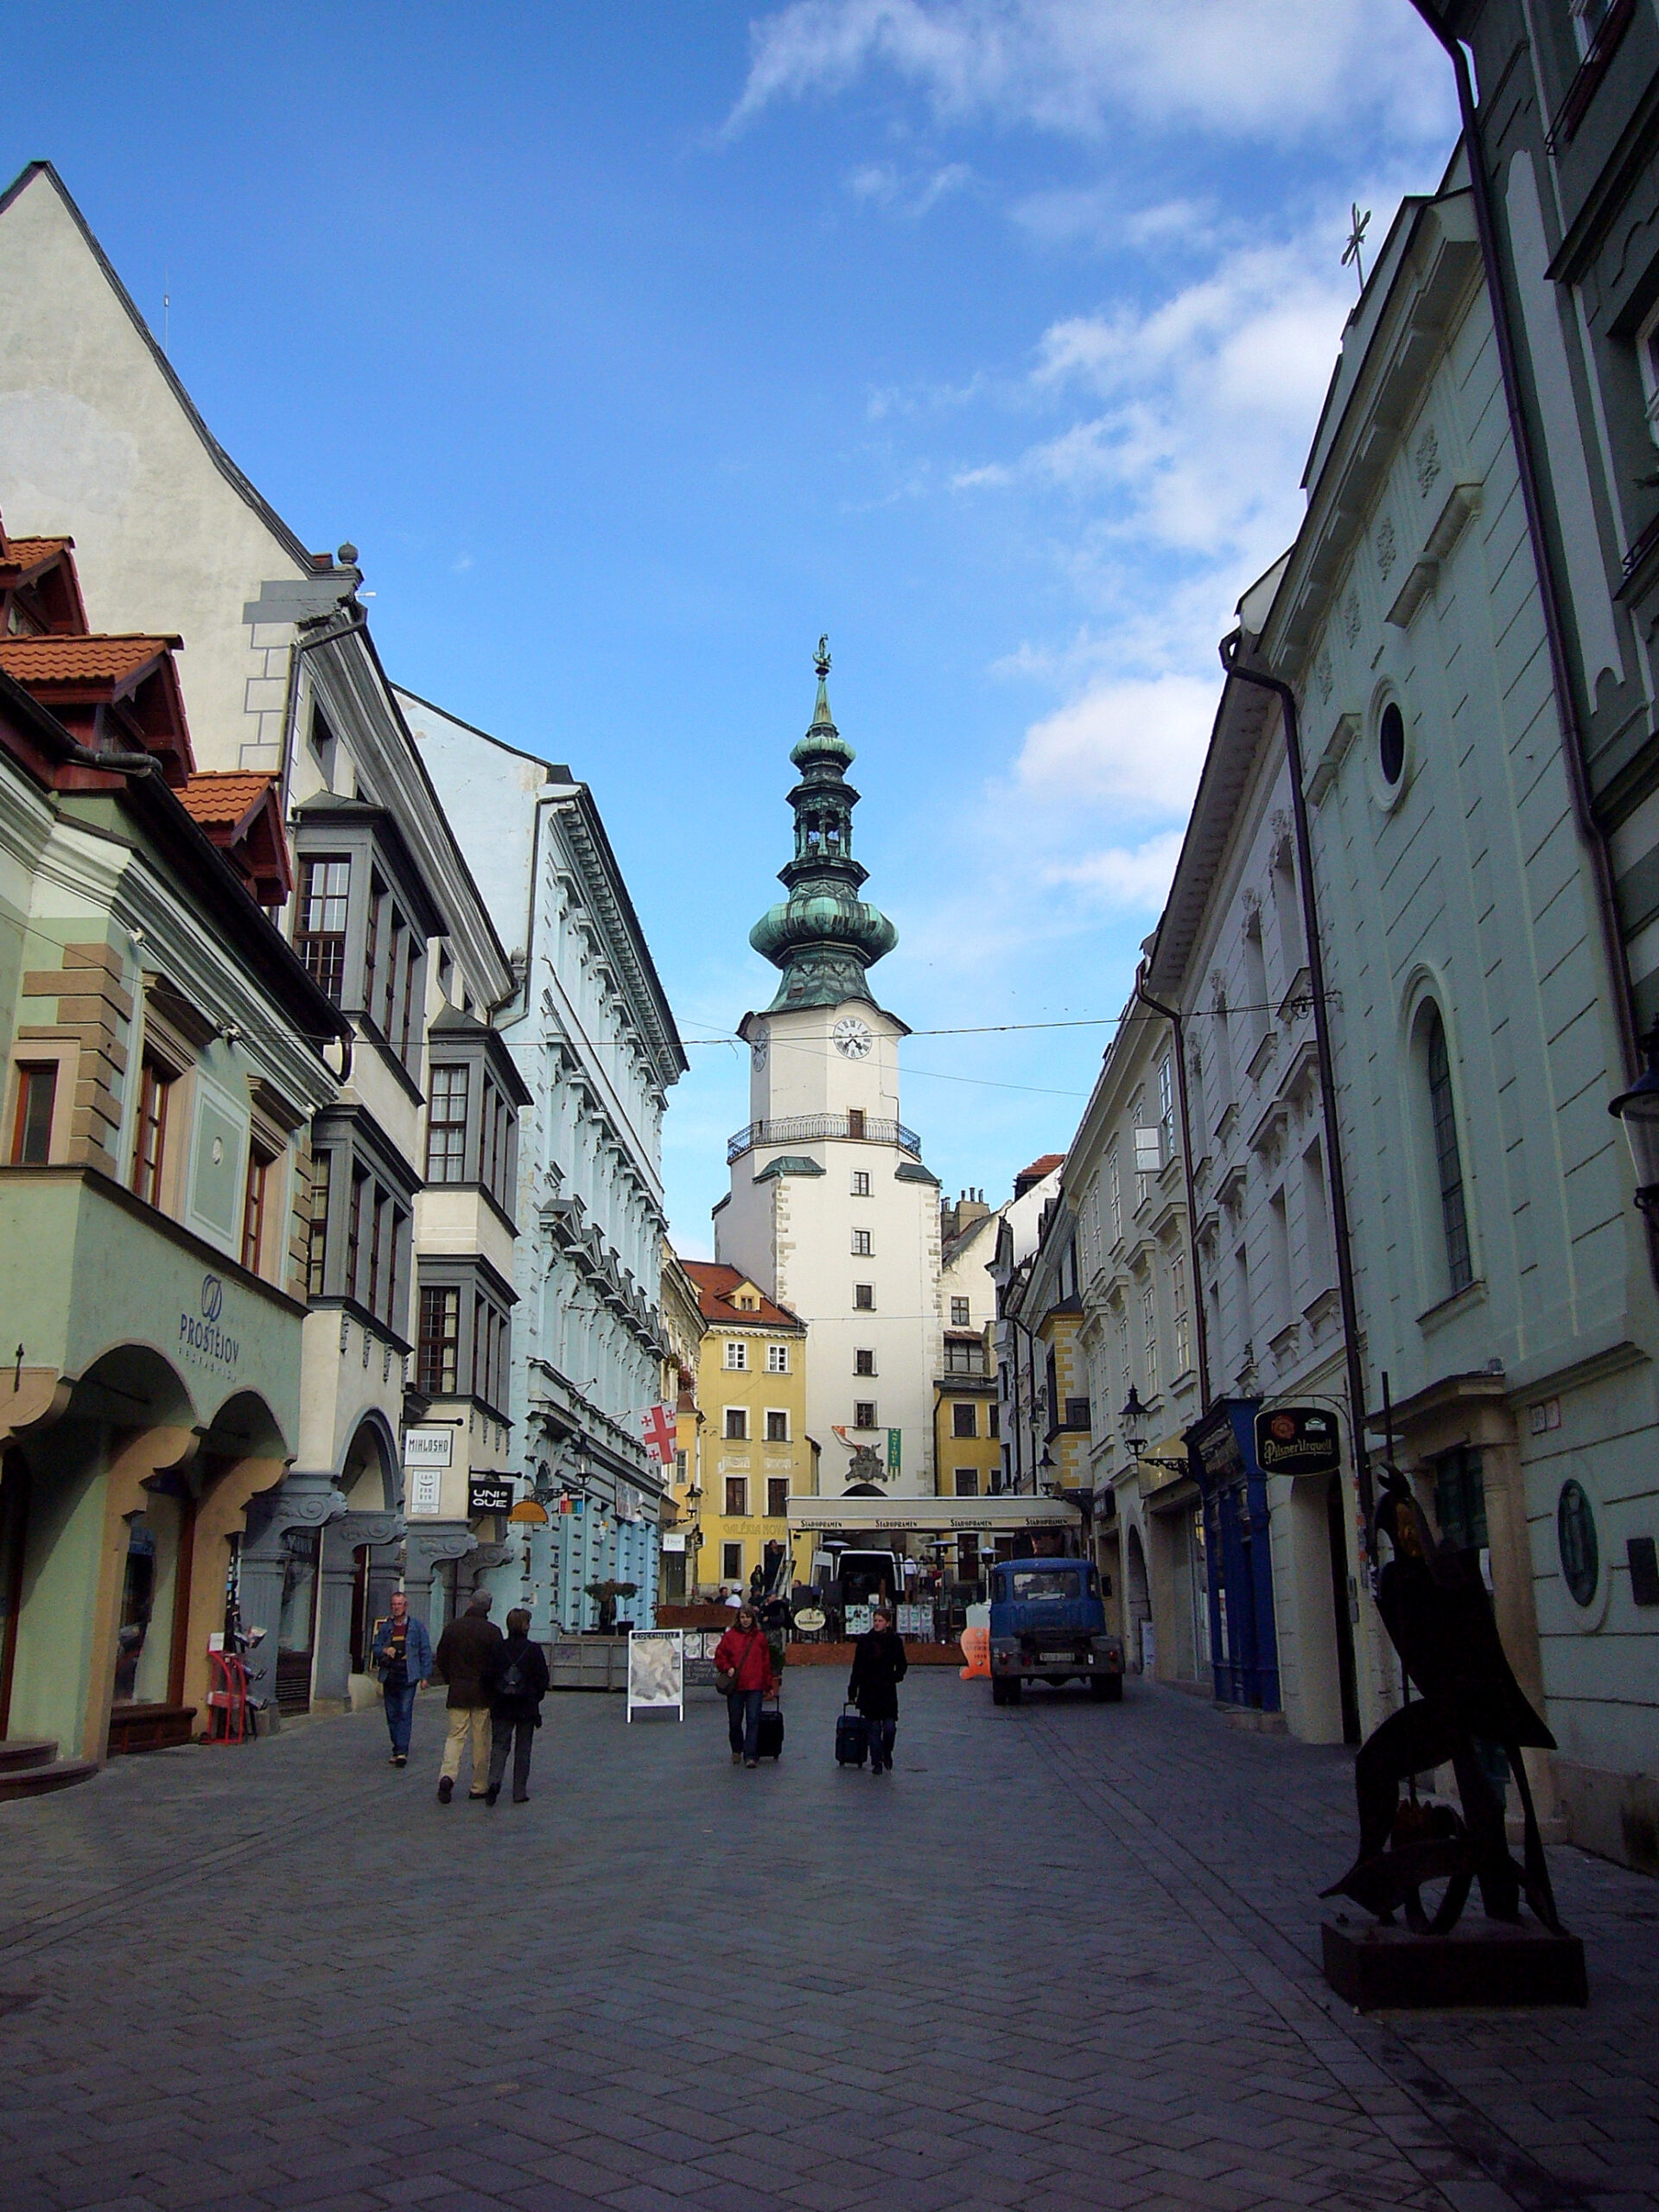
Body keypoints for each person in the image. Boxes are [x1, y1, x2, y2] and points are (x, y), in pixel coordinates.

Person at [430, 1589, 503, 1803]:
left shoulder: (453, 1628)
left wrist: (450, 1678)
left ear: (470, 1604)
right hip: (483, 1692)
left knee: (455, 1736)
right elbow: (498, 1664)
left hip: (458, 1690)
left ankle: (447, 1775)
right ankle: (479, 1786)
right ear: (488, 1607)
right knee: (480, 1739)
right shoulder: (492, 1632)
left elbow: (442, 1657)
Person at [480, 1607, 550, 1805]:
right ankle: (519, 1791)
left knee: (500, 1746)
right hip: (526, 1706)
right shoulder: (533, 1650)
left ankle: (494, 1782)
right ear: (525, 1626)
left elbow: (487, 1676)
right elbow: (543, 1679)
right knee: (523, 1749)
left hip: (502, 1704)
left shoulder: (498, 1648)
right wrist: (535, 1696)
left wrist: (495, 1694)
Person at [369, 1589, 433, 1766]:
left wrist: (425, 1676)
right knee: (391, 1714)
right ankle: (397, 1747)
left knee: (404, 1712)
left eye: (400, 1604)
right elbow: (374, 1647)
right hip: (390, 1675)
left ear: (406, 1606)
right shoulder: (386, 1628)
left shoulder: (416, 1627)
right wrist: (384, 1650)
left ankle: (402, 1751)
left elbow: (424, 1651)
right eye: (394, 1605)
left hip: (408, 1675)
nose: (397, 1608)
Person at [713, 1601, 777, 1768]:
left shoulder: (760, 1638)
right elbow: (720, 1655)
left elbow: (765, 1662)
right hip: (736, 1686)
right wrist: (728, 1668)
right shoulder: (730, 1637)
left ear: (753, 1619)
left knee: (753, 1720)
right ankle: (736, 1749)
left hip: (755, 1685)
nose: (745, 1620)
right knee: (735, 1721)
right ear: (738, 1619)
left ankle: (750, 1755)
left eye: (748, 1617)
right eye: (743, 1617)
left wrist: (768, 1685)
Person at [849, 1605, 908, 1776]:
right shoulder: (865, 1641)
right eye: (875, 1620)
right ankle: (876, 1762)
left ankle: (887, 1752)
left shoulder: (895, 1641)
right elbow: (857, 1667)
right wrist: (852, 1691)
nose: (877, 1623)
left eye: (880, 1621)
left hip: (887, 1689)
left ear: (887, 1623)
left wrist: (897, 1676)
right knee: (873, 1729)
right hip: (869, 1689)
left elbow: (902, 1663)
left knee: (889, 1728)